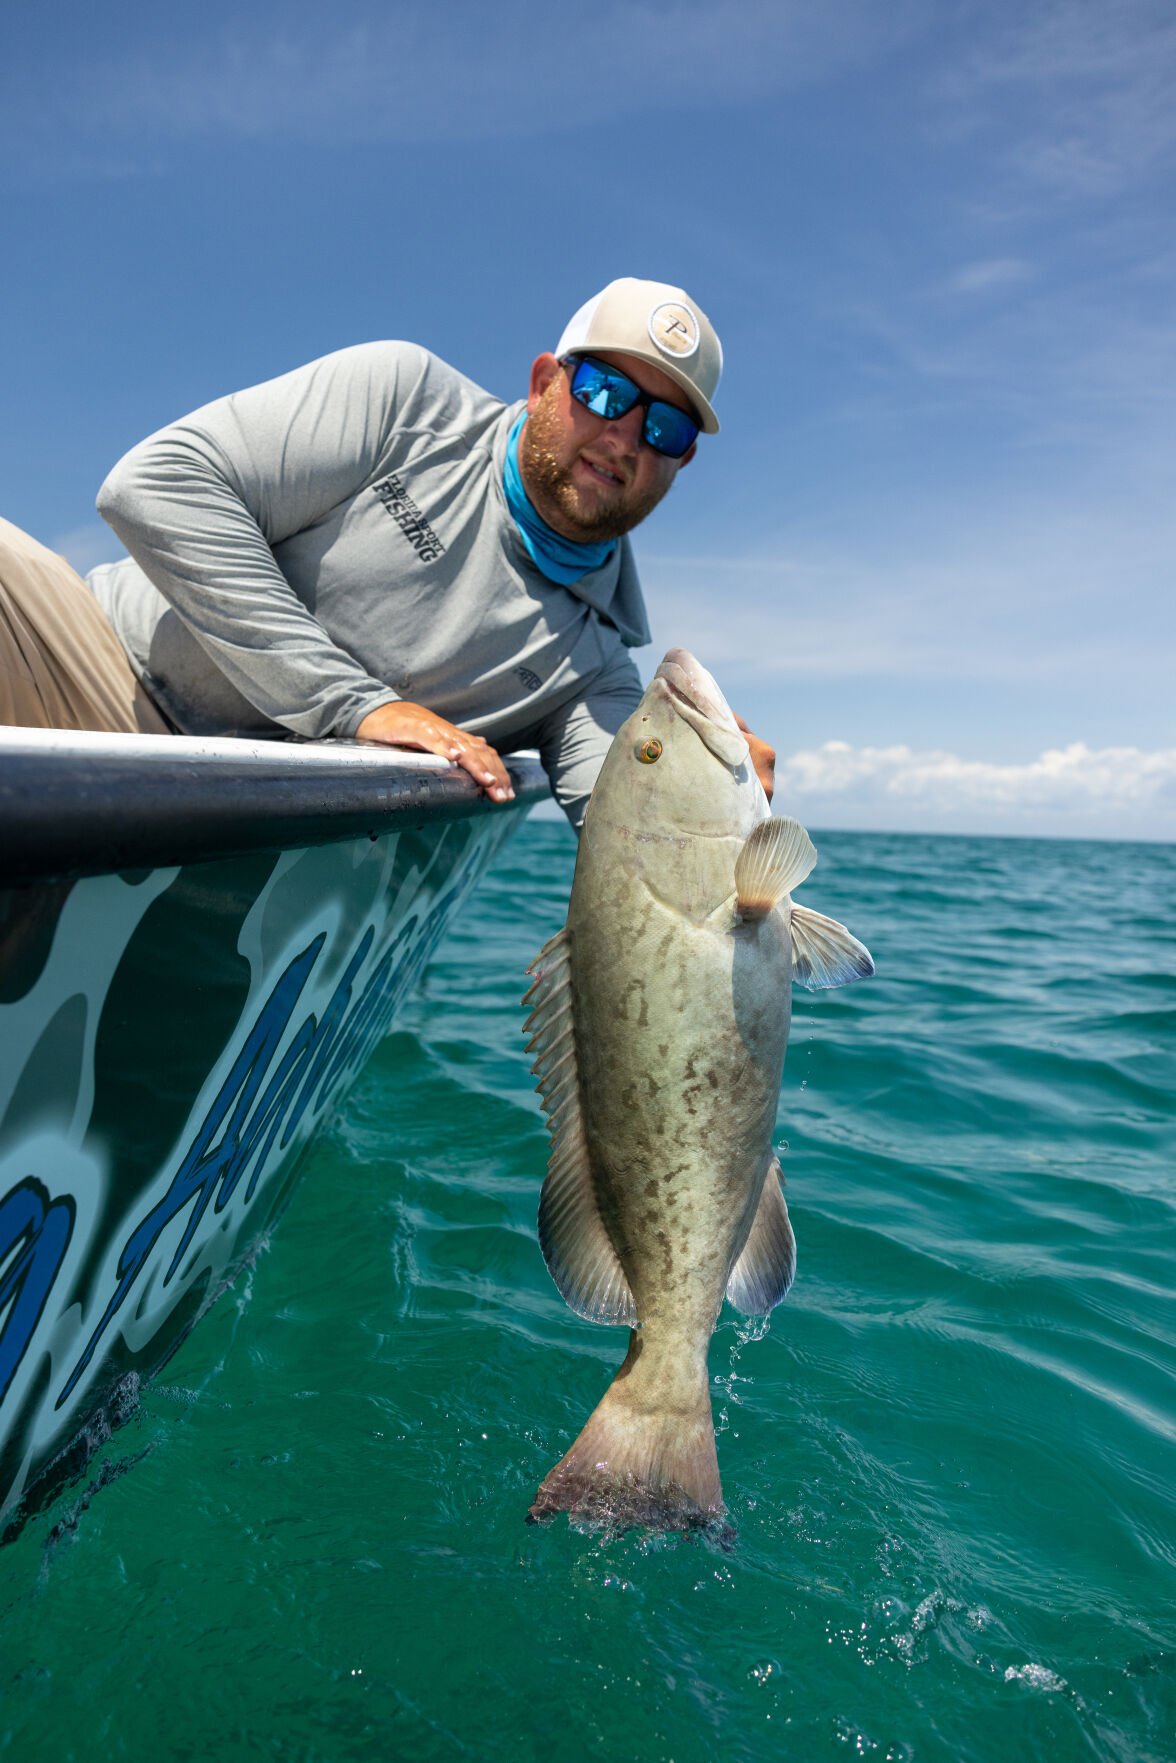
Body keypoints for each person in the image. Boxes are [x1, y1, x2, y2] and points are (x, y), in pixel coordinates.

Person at [0, 278, 774, 824]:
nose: (624, 436)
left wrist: (715, 793)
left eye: (665, 428)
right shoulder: (407, 400)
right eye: (605, 391)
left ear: (681, 462)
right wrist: (361, 707)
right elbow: (156, 485)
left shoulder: (598, 661)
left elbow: (627, 814)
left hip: (248, 823)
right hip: (93, 664)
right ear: (544, 383)